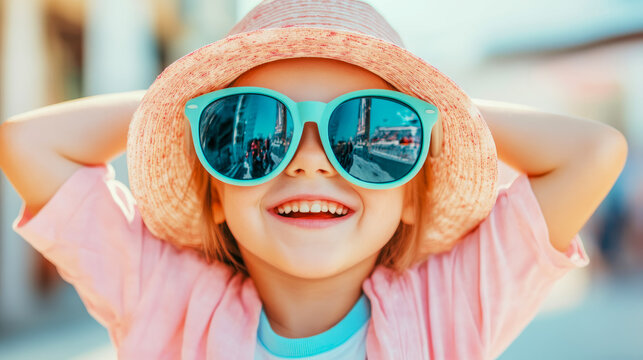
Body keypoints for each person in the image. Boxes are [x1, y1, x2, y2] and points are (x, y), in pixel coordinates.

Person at [0, 0, 627, 359]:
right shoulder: (168, 303)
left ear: (411, 197)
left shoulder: (449, 310)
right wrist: (187, 102)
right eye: (250, 132)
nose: (310, 161)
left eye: (371, 132)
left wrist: (435, 110)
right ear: (215, 196)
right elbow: (27, 144)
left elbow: (592, 152)